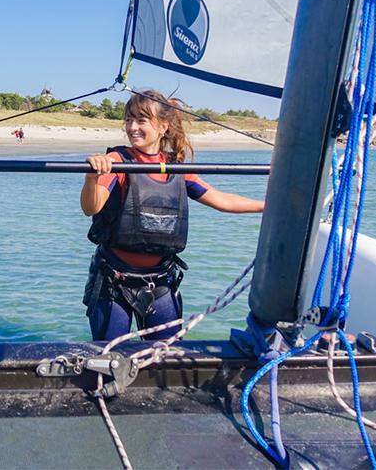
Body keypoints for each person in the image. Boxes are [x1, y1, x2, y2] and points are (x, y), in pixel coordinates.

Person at [80, 90, 264, 342]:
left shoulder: (176, 168)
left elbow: (221, 200)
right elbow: (92, 207)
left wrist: (267, 206)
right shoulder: (117, 161)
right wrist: (92, 176)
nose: (132, 127)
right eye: (128, 120)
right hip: (114, 283)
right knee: (107, 358)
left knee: (164, 359)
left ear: (162, 127)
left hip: (160, 283)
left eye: (141, 120)